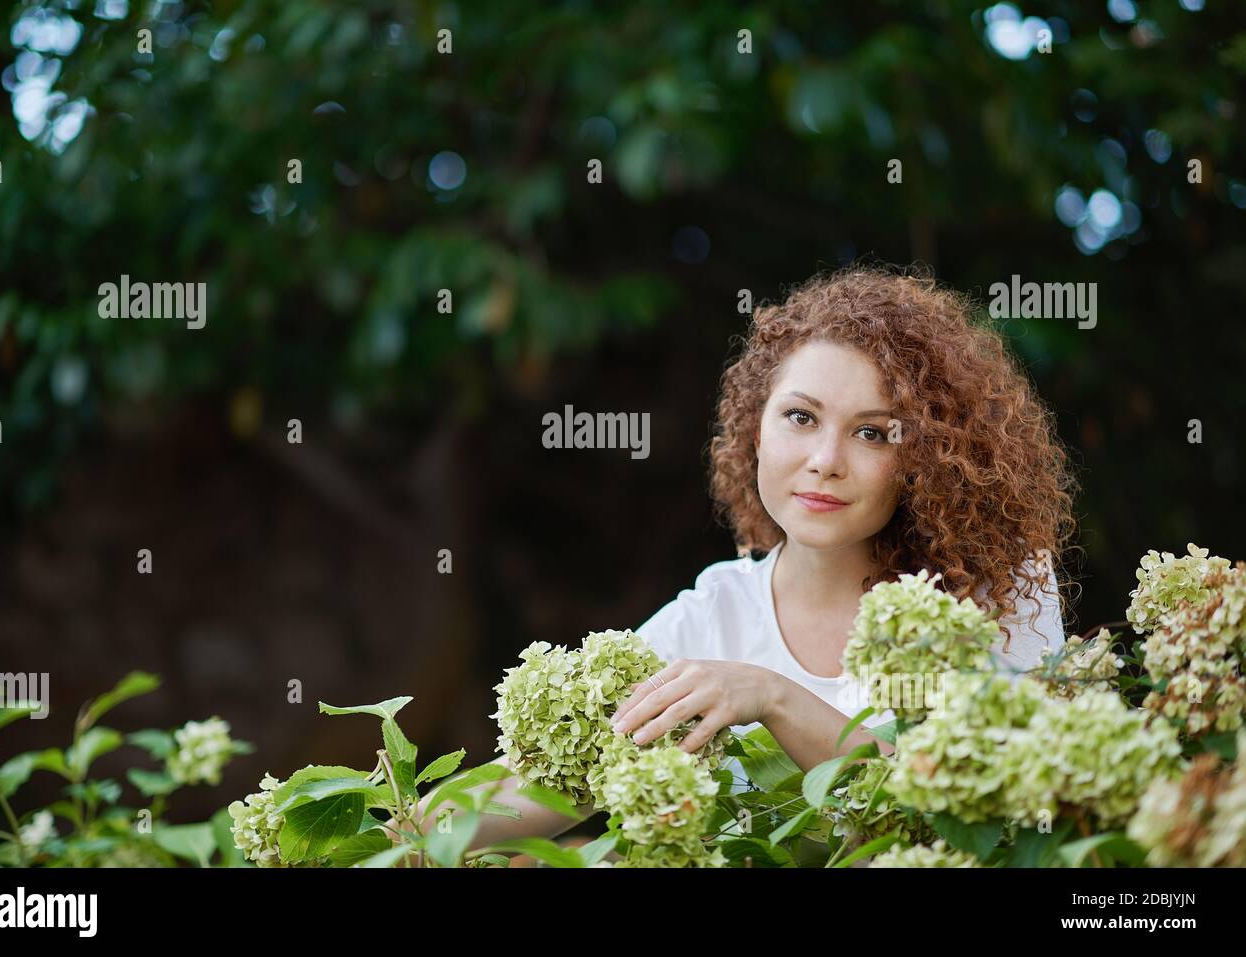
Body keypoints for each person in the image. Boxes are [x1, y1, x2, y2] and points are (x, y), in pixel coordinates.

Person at [408, 264, 1080, 848]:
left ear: (923, 459)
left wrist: (774, 698)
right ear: (754, 427)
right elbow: (537, 785)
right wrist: (379, 838)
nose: (825, 461)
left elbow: (989, 816)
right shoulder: (712, 616)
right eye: (800, 417)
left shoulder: (1002, 591)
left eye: (872, 433)